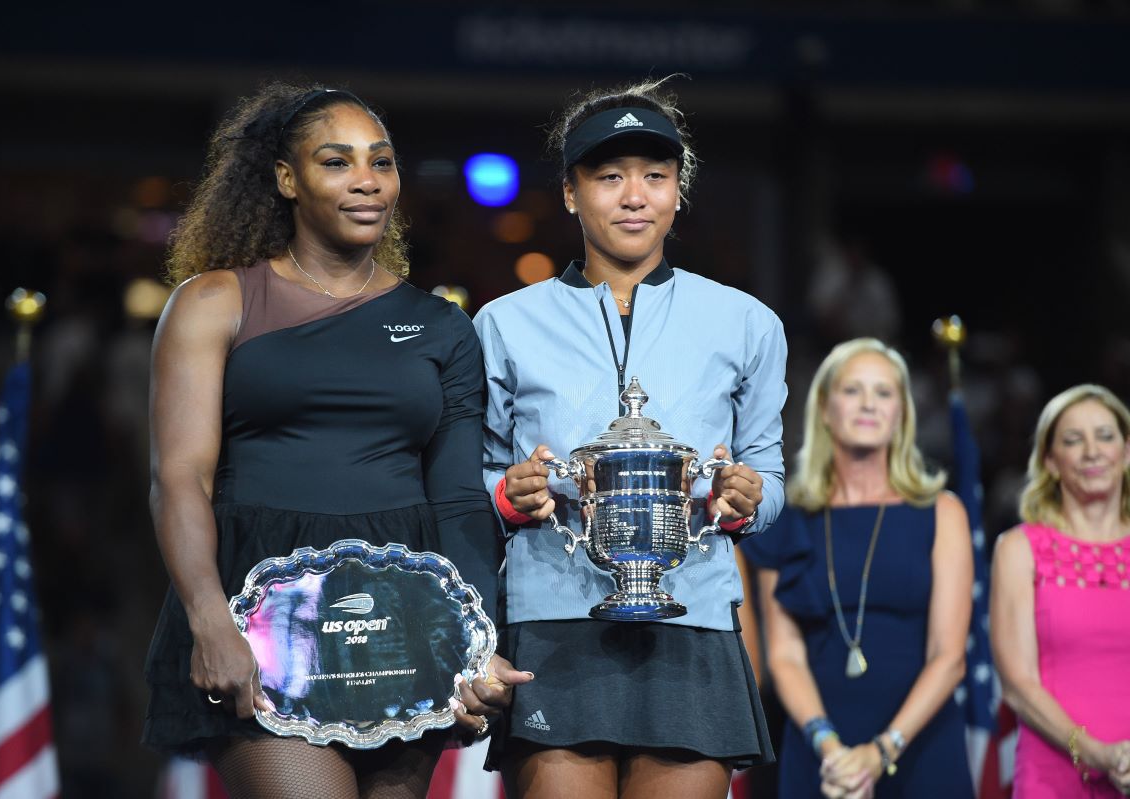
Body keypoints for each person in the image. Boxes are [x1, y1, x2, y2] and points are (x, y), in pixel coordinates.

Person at [141, 82, 529, 799]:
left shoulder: (441, 325)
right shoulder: (214, 301)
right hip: (262, 621)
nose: (366, 181)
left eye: (381, 162)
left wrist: (478, 641)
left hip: (407, 627)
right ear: (287, 179)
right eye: (337, 161)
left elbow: (456, 499)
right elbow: (180, 478)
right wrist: (209, 616)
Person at [474, 77, 785, 799]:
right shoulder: (503, 323)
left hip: (693, 614)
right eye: (609, 177)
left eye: (655, 176)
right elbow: (472, 480)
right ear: (571, 194)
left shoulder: (746, 323)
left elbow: (768, 472)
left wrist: (749, 496)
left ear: (679, 191)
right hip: (552, 617)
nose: (634, 195)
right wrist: (508, 494)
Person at [740, 338, 973, 799]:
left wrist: (882, 751)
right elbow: (784, 656)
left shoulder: (942, 512)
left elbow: (949, 657)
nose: (869, 403)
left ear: (902, 413)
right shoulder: (785, 517)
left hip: (921, 746)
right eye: (853, 390)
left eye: (884, 392)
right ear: (825, 408)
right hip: (822, 753)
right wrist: (831, 749)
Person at [990, 384, 1130, 797]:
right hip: (1053, 775)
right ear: (1050, 461)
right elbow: (1018, 686)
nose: (1092, 451)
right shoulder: (1019, 549)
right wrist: (1099, 754)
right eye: (1073, 439)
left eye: (1105, 436)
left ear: (1126, 451)